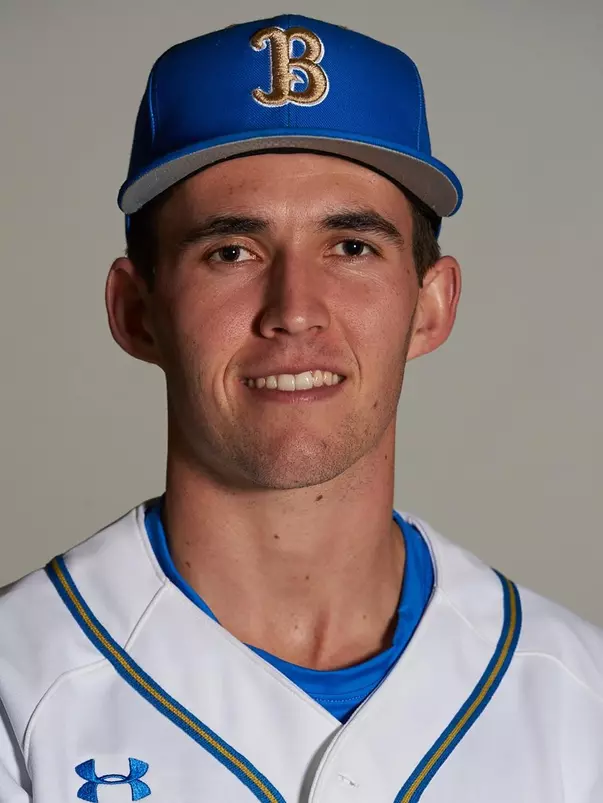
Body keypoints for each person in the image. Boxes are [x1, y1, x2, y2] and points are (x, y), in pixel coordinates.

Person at [1, 13, 602, 803]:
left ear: (430, 304)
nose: (293, 310)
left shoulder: (576, 698)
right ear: (135, 310)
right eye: (231, 251)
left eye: (351, 247)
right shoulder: (19, 684)